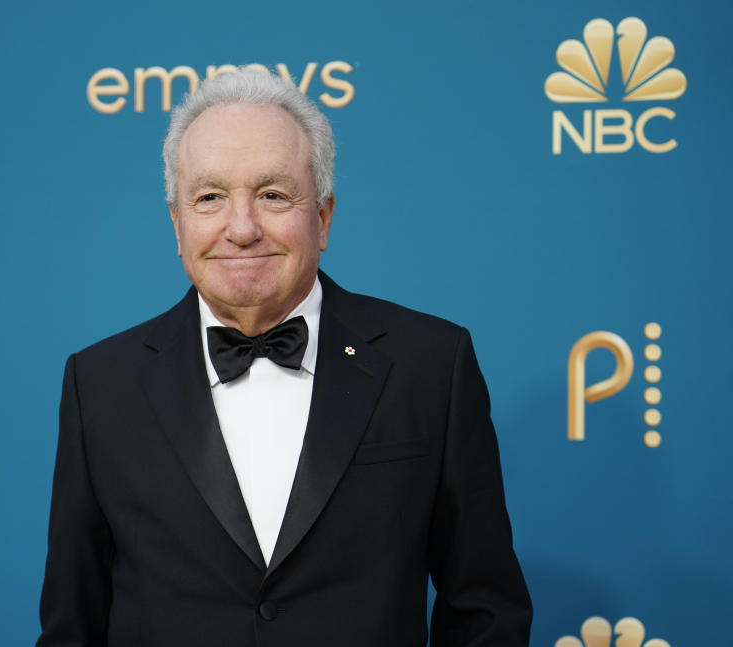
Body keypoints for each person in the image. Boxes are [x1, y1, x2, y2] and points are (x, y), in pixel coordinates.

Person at [36, 67, 532, 647]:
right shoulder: (100, 384)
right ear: (177, 222)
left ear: (322, 217)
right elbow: (74, 625)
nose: (241, 228)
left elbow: (485, 612)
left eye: (273, 194)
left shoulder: (431, 365)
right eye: (210, 197)